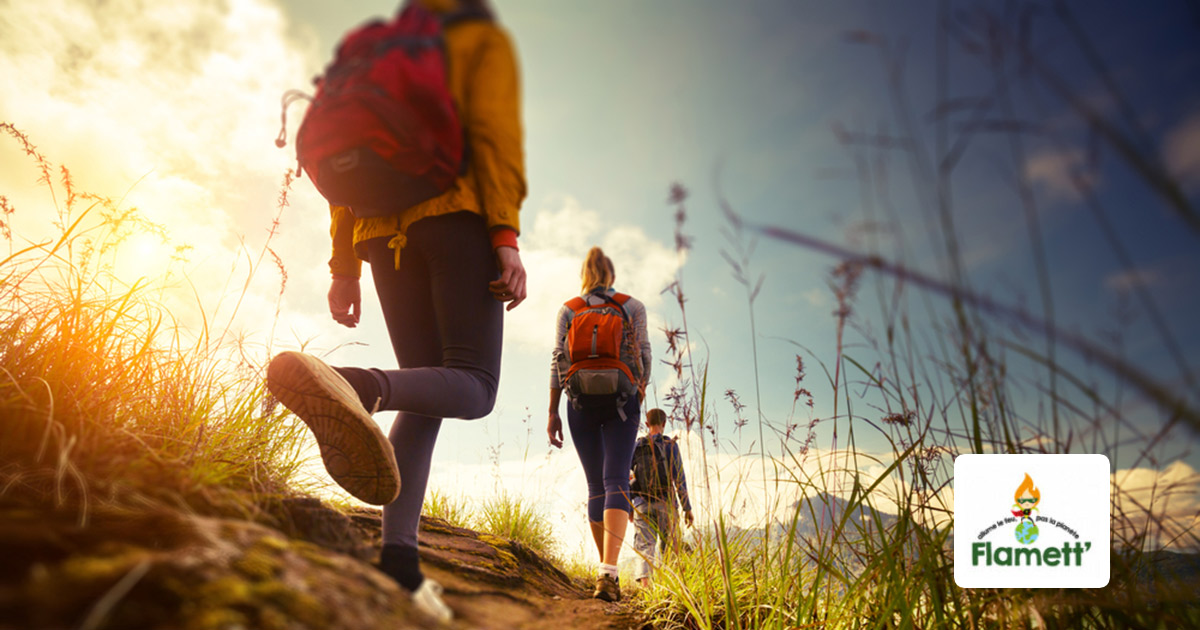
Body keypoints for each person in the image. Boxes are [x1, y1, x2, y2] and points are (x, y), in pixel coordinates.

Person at [266, 0, 525, 623]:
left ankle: (400, 564)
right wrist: (506, 238)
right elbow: (493, 135)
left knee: (428, 392)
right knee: (475, 385)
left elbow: (347, 172)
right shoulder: (476, 38)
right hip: (455, 221)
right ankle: (357, 387)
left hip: (379, 236)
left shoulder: (375, 44)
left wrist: (344, 267)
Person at [547, 247, 652, 603]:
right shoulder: (631, 306)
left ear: (584, 275)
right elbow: (645, 355)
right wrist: (637, 394)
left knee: (596, 485)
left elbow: (556, 361)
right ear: (612, 275)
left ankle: (605, 571)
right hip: (622, 400)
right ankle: (609, 570)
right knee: (616, 480)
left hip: (578, 403)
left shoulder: (569, 310)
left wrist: (553, 411)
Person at [630, 408, 694, 587]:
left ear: (647, 424)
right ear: (664, 424)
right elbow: (679, 478)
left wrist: (629, 507)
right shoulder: (670, 445)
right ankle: (670, 588)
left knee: (645, 545)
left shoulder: (636, 446)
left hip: (641, 503)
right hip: (666, 503)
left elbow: (628, 476)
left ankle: (646, 588)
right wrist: (687, 508)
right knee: (670, 546)